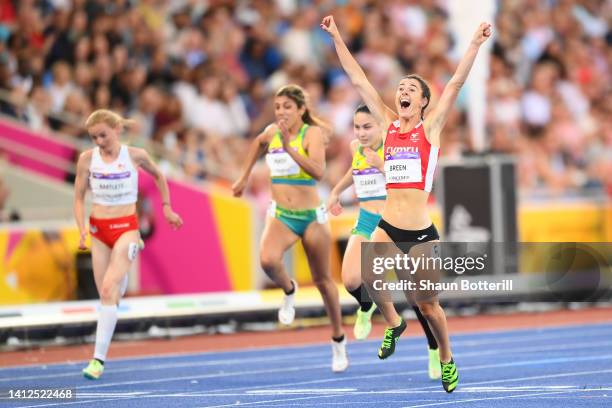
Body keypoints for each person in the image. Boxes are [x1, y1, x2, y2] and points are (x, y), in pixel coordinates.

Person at [322, 15, 492, 392]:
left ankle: (446, 356)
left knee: (428, 306)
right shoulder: (384, 123)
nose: (403, 92)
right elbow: (358, 78)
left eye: (411, 90)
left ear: (423, 101)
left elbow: (456, 83)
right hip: (387, 224)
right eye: (400, 88)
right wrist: (336, 36)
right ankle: (395, 323)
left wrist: (474, 45)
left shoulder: (428, 129)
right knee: (368, 272)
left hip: (419, 233)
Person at [232, 84, 348, 372]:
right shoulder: (271, 132)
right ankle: (289, 289)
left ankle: (338, 340)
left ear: (300, 110)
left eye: (287, 107)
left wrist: (289, 148)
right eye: (278, 107)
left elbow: (319, 172)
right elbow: (257, 144)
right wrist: (243, 177)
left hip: (311, 216)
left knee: (323, 282)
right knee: (268, 260)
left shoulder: (312, 134)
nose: (281, 112)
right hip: (282, 214)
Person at [327, 104, 441, 380]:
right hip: (367, 220)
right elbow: (354, 171)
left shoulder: (394, 150)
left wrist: (382, 167)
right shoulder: (357, 147)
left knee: (416, 296)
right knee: (351, 279)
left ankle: (434, 349)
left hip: (393, 224)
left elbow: (409, 183)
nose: (362, 133)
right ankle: (367, 305)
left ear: (382, 128)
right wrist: (335, 192)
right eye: (357, 127)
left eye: (368, 127)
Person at [74, 109, 183, 379]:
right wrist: (82, 230)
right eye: (93, 137)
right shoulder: (86, 160)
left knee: (110, 286)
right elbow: (78, 198)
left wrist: (167, 207)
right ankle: (129, 257)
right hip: (99, 231)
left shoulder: (135, 155)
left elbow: (159, 176)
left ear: (117, 130)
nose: (98, 141)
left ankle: (97, 360)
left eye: (103, 135)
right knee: (108, 296)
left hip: (126, 228)